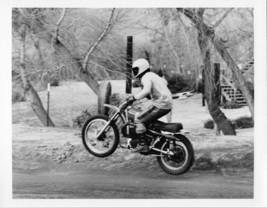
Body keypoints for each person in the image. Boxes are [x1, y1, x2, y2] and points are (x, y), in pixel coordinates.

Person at [127, 59, 173, 152]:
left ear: (141, 68)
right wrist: (151, 95)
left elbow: (146, 90)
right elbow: (164, 83)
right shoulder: (153, 75)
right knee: (148, 119)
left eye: (135, 69)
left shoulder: (145, 77)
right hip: (167, 103)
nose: (134, 72)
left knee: (138, 119)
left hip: (161, 103)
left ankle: (142, 145)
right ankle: (154, 140)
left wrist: (134, 98)